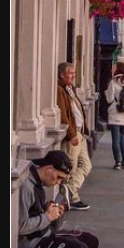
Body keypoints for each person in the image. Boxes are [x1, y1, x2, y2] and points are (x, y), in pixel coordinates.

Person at [19, 151, 99, 248]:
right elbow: (20, 227)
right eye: (58, 177)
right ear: (49, 169)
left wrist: (47, 208)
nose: (58, 182)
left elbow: (34, 211)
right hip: (31, 246)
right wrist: (48, 217)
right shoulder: (26, 187)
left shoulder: (38, 181)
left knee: (91, 241)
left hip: (45, 234)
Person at [56, 62, 92, 211]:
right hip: (73, 134)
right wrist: (71, 134)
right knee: (71, 166)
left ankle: (69, 190)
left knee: (86, 165)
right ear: (61, 75)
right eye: (70, 73)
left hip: (80, 132)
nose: (73, 76)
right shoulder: (59, 90)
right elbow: (64, 115)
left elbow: (77, 110)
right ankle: (73, 198)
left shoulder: (70, 89)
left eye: (74, 73)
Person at [105, 62, 124, 169]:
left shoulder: (113, 82)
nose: (112, 69)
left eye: (114, 67)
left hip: (115, 113)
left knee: (115, 139)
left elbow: (109, 99)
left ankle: (117, 161)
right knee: (122, 136)